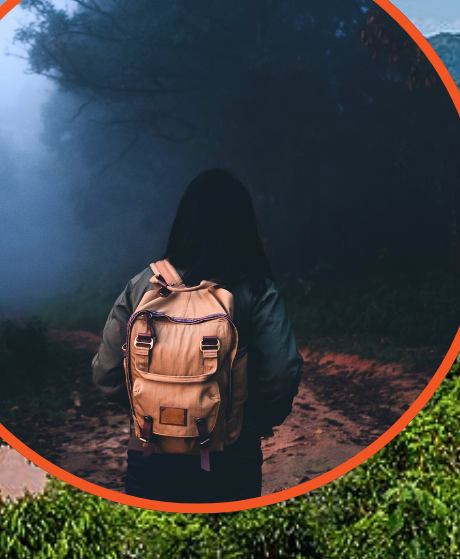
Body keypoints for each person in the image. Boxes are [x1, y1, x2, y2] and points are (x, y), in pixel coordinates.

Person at [91, 168, 303, 503]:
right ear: (244, 225)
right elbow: (282, 370)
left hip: (150, 451)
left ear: (185, 221)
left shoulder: (142, 284)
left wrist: (149, 409)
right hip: (233, 456)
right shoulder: (256, 288)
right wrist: (248, 422)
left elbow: (106, 373)